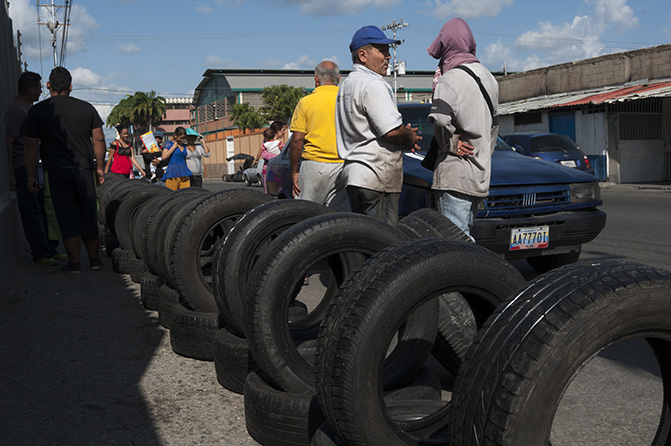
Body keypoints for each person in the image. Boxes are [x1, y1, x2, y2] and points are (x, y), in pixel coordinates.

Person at [23, 66, 107, 273]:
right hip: (84, 170)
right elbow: (99, 139)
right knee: (88, 212)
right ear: (70, 86)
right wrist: (100, 169)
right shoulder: (87, 108)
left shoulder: (37, 111)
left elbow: (31, 146)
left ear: (49, 86)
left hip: (56, 170)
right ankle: (95, 260)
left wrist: (31, 176)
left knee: (66, 215)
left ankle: (75, 263)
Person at [336, 25, 421, 225]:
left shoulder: (347, 84)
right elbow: (391, 131)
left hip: (356, 176)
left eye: (388, 50)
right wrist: (409, 136)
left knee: (364, 242)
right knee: (383, 246)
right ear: (363, 55)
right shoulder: (373, 84)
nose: (388, 56)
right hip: (375, 176)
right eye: (382, 50)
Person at [426, 18, 499, 240]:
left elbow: (439, 120)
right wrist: (482, 153)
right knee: (465, 239)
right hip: (479, 173)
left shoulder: (449, 79)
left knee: (455, 245)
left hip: (455, 174)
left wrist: (449, 143)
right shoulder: (489, 78)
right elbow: (493, 127)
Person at [4, 71, 65, 266]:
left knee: (42, 208)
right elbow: (9, 142)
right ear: (30, 90)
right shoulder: (16, 110)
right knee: (31, 211)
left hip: (34, 166)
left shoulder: (27, 109)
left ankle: (49, 248)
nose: (41, 91)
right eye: (39, 88)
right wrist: (11, 174)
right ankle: (40, 253)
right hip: (23, 167)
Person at [289, 61, 349, 210]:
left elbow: (297, 140)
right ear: (339, 78)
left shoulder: (306, 102)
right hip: (343, 166)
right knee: (339, 218)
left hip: (313, 166)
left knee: (306, 215)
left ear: (316, 79)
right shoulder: (348, 101)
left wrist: (295, 172)